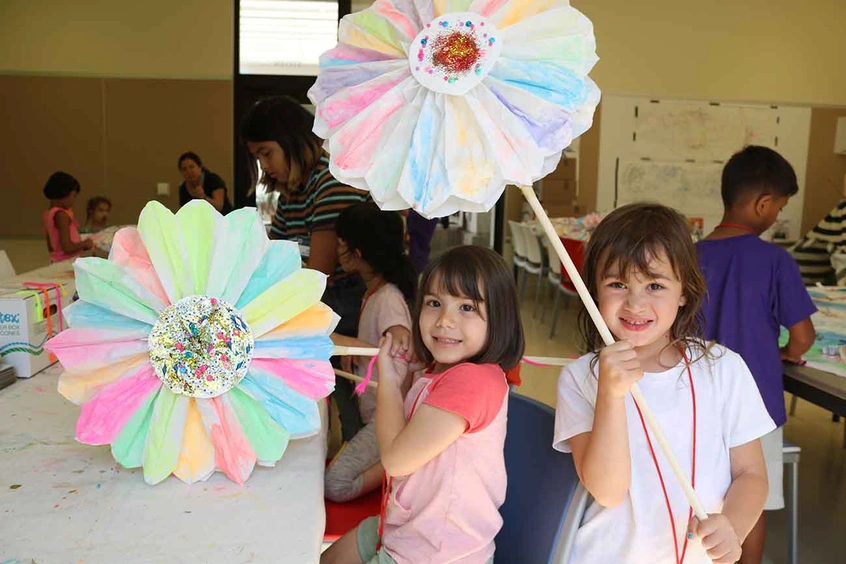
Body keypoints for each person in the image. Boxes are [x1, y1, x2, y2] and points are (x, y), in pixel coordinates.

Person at [555, 203, 775, 564]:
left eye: (654, 285)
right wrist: (610, 395)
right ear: (594, 290)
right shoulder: (580, 378)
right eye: (617, 284)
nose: (635, 303)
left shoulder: (724, 369)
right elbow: (608, 492)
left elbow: (751, 474)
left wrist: (733, 527)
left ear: (684, 291)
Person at [321, 246, 525, 564]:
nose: (444, 320)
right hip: (407, 528)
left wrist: (389, 379)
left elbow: (397, 460)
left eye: (467, 308)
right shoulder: (443, 373)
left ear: (499, 318)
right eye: (434, 303)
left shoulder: (472, 382)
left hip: (437, 553)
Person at [696, 146, 816, 564]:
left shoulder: (688, 257)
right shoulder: (775, 260)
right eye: (780, 206)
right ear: (763, 203)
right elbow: (803, 337)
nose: (777, 214)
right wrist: (784, 351)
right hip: (757, 407)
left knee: (702, 495)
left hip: (695, 401)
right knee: (752, 499)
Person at [241, 96, 370, 440]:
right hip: (322, 300)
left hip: (346, 303)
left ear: (293, 142)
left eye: (267, 153)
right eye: (257, 157)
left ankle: (354, 458)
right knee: (330, 398)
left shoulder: (331, 183)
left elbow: (318, 276)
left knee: (350, 398)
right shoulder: (292, 194)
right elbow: (272, 261)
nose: (263, 165)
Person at [325, 203, 416, 503]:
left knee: (335, 483)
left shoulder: (388, 298)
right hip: (375, 418)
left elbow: (400, 346)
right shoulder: (374, 293)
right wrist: (361, 348)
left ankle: (398, 469)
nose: (337, 253)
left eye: (341, 245)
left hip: (388, 421)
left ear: (358, 252)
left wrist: (351, 344)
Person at [42, 171, 95, 262]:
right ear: (64, 193)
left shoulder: (48, 214)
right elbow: (67, 248)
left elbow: (51, 246)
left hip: (57, 260)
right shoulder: (61, 215)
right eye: (74, 195)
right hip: (67, 261)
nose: (74, 200)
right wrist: (85, 244)